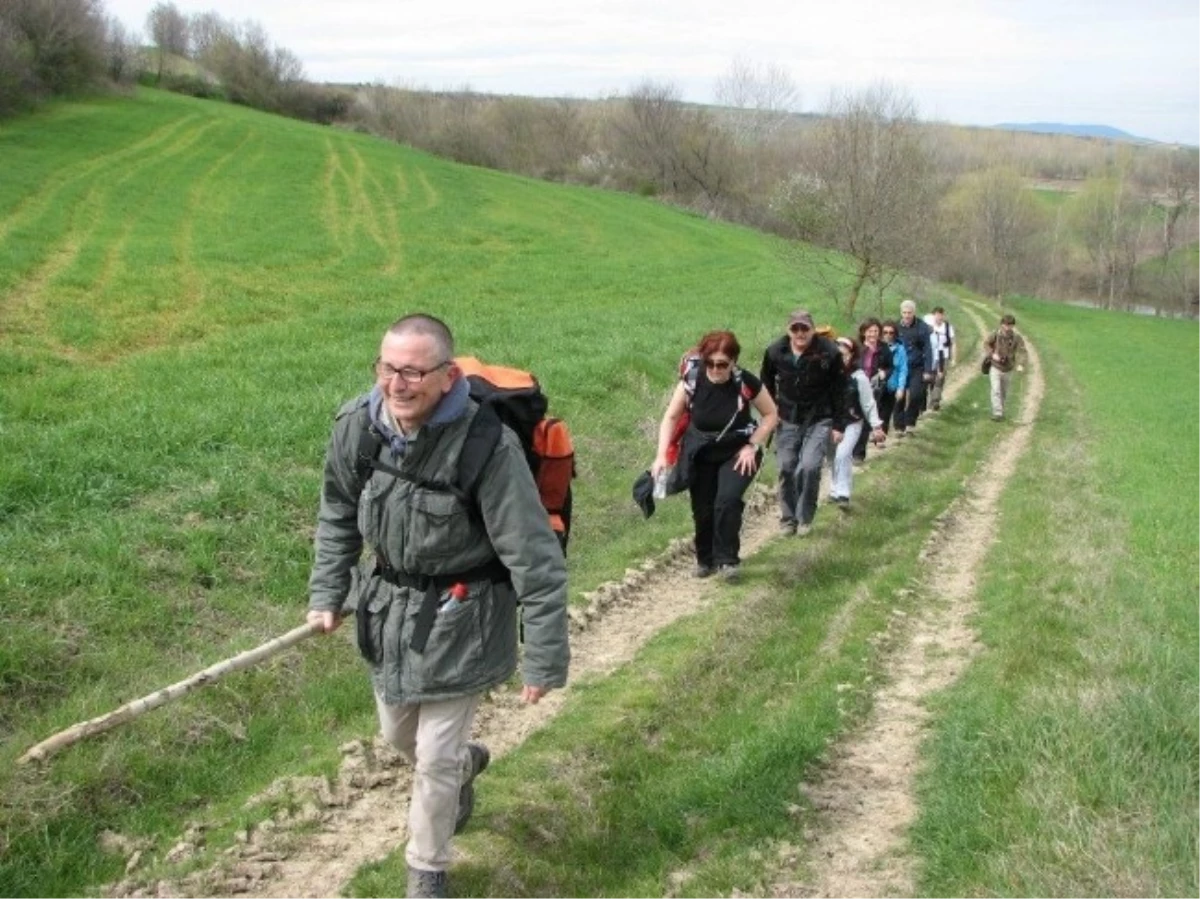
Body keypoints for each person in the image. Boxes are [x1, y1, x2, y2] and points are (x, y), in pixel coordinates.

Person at [306, 314, 570, 899]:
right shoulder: (359, 427)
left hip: (463, 614)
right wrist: (328, 593)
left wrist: (545, 656)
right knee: (399, 735)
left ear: (448, 377)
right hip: (388, 614)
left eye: (413, 372)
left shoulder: (487, 448)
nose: (397, 384)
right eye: (387, 368)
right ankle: (465, 766)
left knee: (431, 758)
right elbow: (336, 513)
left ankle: (427, 874)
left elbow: (534, 557)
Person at [652, 331, 778, 582]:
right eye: (710, 363)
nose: (715, 369)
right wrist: (661, 455)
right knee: (703, 509)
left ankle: (727, 560)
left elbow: (771, 414)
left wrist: (752, 445)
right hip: (700, 452)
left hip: (738, 452)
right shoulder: (692, 379)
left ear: (734, 362)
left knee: (727, 501)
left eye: (722, 364)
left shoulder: (746, 383)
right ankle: (705, 560)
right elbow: (671, 417)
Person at [760, 309, 847, 537]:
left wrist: (839, 424)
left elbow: (841, 389)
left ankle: (805, 516)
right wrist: (769, 413)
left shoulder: (829, 352)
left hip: (820, 417)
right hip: (787, 417)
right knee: (786, 467)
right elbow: (765, 384)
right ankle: (788, 519)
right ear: (789, 330)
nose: (800, 333)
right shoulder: (774, 351)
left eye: (804, 328)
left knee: (809, 466)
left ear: (812, 329)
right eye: (795, 328)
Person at [830, 338, 886, 508]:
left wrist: (876, 426)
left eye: (844, 348)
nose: (840, 351)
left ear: (851, 353)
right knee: (832, 458)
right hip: (831, 422)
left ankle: (844, 494)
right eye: (838, 347)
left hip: (852, 422)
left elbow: (868, 403)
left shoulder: (859, 377)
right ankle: (835, 489)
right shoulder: (829, 374)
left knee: (842, 454)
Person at [852, 317, 892, 462]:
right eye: (870, 331)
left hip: (874, 389)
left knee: (866, 420)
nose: (873, 334)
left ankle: (858, 454)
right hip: (855, 388)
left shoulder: (884, 348)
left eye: (875, 331)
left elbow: (890, 366)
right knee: (854, 418)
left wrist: (885, 373)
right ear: (863, 332)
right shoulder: (856, 348)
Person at [895, 300, 935, 436]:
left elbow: (928, 349)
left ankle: (910, 423)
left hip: (917, 366)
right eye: (904, 313)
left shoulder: (922, 327)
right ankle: (899, 426)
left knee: (916, 395)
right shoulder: (896, 327)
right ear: (901, 313)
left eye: (909, 313)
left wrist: (928, 370)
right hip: (900, 368)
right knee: (899, 397)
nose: (907, 316)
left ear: (914, 312)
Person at [984, 313, 1027, 420]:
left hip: (1008, 369)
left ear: (1013, 326)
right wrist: (992, 354)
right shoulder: (995, 334)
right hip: (995, 367)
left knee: (1003, 392)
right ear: (1002, 324)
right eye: (1006, 325)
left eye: (1010, 325)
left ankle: (1001, 411)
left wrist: (1021, 364)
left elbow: (1022, 351)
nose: (1008, 327)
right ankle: (997, 413)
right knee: (996, 390)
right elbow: (986, 344)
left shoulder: (1017, 338)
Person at [923, 305, 956, 411]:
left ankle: (935, 401)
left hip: (944, 356)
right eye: (937, 315)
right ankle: (929, 400)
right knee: (930, 379)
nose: (939, 317)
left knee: (939, 378)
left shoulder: (947, 327)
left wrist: (954, 358)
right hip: (930, 356)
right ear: (933, 316)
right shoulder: (928, 326)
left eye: (941, 315)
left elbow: (953, 343)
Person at [879, 320, 907, 436]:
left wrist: (901, 388)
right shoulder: (876, 348)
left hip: (891, 385)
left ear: (895, 334)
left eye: (891, 333)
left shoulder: (900, 349)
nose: (888, 335)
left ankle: (881, 436)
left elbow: (903, 370)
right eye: (885, 332)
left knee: (885, 413)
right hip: (876, 384)